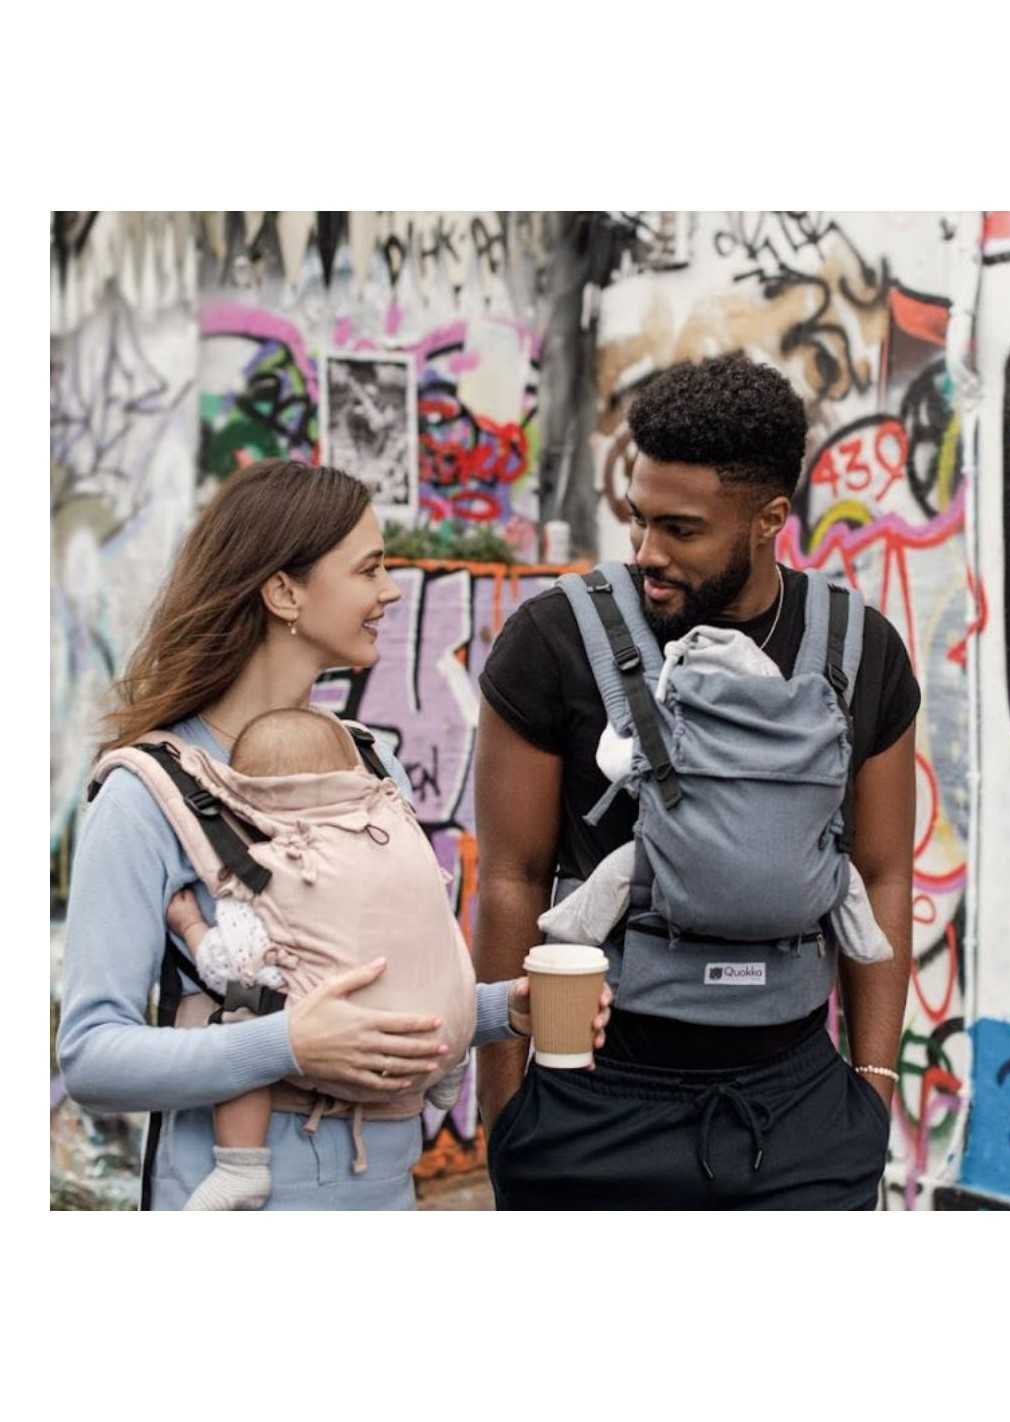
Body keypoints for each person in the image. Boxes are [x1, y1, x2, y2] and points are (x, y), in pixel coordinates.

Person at [57, 458, 611, 1211]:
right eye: (369, 569)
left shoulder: (366, 760)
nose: (391, 592)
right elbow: (91, 1056)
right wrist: (285, 1046)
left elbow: (375, 992)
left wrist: (499, 1010)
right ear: (284, 591)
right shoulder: (145, 793)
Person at [475, 354, 919, 1210]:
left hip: (797, 1105)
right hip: (593, 1092)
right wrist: (508, 1116)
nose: (648, 554)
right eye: (638, 521)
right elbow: (511, 879)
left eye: (680, 530)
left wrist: (871, 1088)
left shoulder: (860, 651)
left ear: (769, 519)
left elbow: (882, 873)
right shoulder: (554, 641)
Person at [161, 706, 475, 1211]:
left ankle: (240, 1167)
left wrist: (191, 927)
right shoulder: (400, 838)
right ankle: (450, 1070)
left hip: (346, 1055)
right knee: (435, 943)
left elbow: (229, 963)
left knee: (237, 1018)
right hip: (440, 1035)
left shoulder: (264, 869)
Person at [536, 627, 892, 966]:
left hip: (682, 866)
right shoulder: (800, 732)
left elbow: (610, 760)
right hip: (796, 877)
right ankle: (865, 941)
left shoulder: (677, 728)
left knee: (624, 868)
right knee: (841, 874)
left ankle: (571, 927)